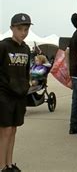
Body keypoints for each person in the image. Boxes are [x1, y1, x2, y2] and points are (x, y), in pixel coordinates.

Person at [0, 13, 33, 172]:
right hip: (4, 95)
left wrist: (26, 86)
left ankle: (10, 163)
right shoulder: (3, 46)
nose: (23, 32)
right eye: (19, 29)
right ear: (12, 28)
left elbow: (26, 72)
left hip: (20, 95)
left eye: (26, 29)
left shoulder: (26, 48)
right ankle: (2, 166)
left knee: (13, 130)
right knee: (5, 130)